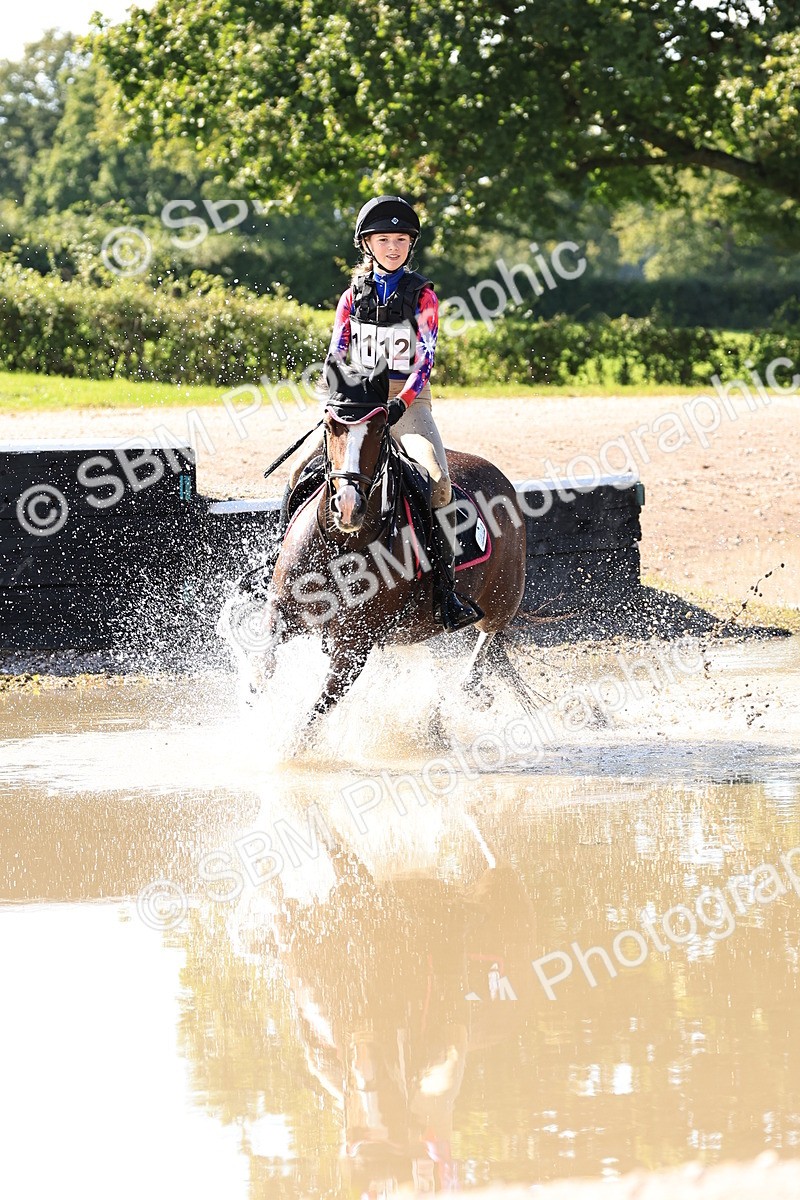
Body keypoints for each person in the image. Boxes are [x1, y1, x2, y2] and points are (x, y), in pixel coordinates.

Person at [284, 194, 483, 631]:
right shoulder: (351, 297)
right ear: (367, 244)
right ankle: (277, 569)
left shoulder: (423, 297)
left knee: (437, 482)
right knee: (301, 474)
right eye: (383, 239)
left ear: (410, 245)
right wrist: (335, 402)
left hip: (406, 404)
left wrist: (399, 404)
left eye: (400, 239)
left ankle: (444, 591)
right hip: (356, 405)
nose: (392, 247)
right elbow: (338, 353)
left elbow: (424, 362)